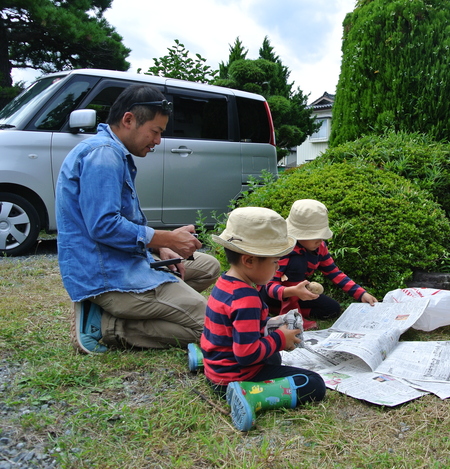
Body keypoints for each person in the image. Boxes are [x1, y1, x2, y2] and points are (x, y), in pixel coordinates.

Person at [56, 84, 220, 354]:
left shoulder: (112, 151)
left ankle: (148, 307)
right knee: (211, 327)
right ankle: (106, 326)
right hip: (110, 276)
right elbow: (103, 225)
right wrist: (167, 237)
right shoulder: (104, 155)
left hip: (126, 261)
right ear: (129, 119)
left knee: (207, 267)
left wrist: (157, 246)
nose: (157, 141)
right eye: (155, 132)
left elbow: (116, 221)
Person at [200, 207, 326, 431]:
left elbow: (235, 327)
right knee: (314, 384)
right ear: (249, 260)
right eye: (275, 262)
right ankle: (251, 395)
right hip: (235, 376)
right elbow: (246, 355)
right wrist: (279, 338)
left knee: (274, 359)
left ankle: (202, 361)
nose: (277, 268)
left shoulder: (224, 283)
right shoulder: (247, 298)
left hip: (217, 370)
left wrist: (271, 326)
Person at [262, 199, 378, 330]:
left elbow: (334, 273)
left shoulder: (320, 247)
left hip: (299, 293)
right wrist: (292, 291)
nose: (320, 240)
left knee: (332, 309)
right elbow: (269, 286)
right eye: (314, 236)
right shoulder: (285, 250)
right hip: (276, 294)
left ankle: (276, 310)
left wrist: (361, 293)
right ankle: (292, 315)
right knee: (297, 263)